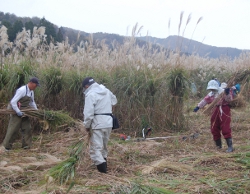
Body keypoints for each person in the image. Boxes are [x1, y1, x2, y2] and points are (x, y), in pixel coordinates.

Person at [82, 77, 117, 173]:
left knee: (95, 149)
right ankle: (104, 166)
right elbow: (114, 101)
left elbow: (88, 113)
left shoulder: (90, 94)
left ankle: (103, 173)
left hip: (97, 123)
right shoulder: (106, 90)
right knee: (104, 147)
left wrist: (87, 126)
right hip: (108, 122)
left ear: (86, 86)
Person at [193, 79, 238, 153]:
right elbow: (204, 101)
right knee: (214, 128)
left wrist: (227, 93)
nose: (212, 89)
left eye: (213, 88)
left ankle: (230, 147)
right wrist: (198, 107)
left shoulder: (223, 92)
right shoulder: (211, 94)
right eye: (211, 88)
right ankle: (218, 146)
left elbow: (230, 99)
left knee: (225, 128)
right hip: (214, 111)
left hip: (224, 110)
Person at [2, 77, 40, 151]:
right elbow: (13, 102)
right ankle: (6, 146)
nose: (36, 87)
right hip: (16, 110)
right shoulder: (22, 90)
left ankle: (26, 145)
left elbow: (32, 102)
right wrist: (18, 111)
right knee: (13, 129)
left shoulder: (31, 92)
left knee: (27, 128)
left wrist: (37, 111)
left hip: (25, 111)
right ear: (31, 83)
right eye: (36, 85)